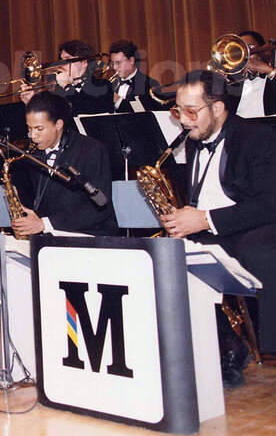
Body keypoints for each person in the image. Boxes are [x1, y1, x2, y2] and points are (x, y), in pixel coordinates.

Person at [161, 70, 276, 386]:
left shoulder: (259, 138)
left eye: (191, 111)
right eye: (178, 111)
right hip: (209, 229)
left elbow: (269, 204)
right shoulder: (196, 138)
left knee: (259, 251)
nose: (183, 120)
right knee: (160, 256)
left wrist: (205, 219)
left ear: (218, 109)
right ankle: (227, 344)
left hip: (247, 228)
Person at [10, 91, 118, 237]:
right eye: (29, 128)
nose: (33, 136)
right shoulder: (32, 154)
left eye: (39, 129)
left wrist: (45, 224)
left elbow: (100, 209)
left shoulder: (92, 150)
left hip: (90, 234)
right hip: (50, 235)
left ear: (58, 124)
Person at [20, 40, 113, 117]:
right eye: (62, 60)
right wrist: (31, 103)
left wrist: (67, 87)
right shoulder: (56, 91)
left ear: (84, 62)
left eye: (68, 60)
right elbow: (50, 122)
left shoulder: (103, 85)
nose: (62, 65)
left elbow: (86, 111)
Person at [108, 39, 162, 112]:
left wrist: (117, 100)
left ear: (131, 60)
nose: (114, 67)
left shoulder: (149, 85)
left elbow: (143, 114)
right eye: (112, 63)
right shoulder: (110, 84)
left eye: (118, 63)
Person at [233, 30, 276, 118]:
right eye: (240, 50)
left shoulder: (272, 75)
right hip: (239, 129)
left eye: (250, 47)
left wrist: (270, 71)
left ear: (263, 50)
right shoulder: (233, 81)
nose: (246, 54)